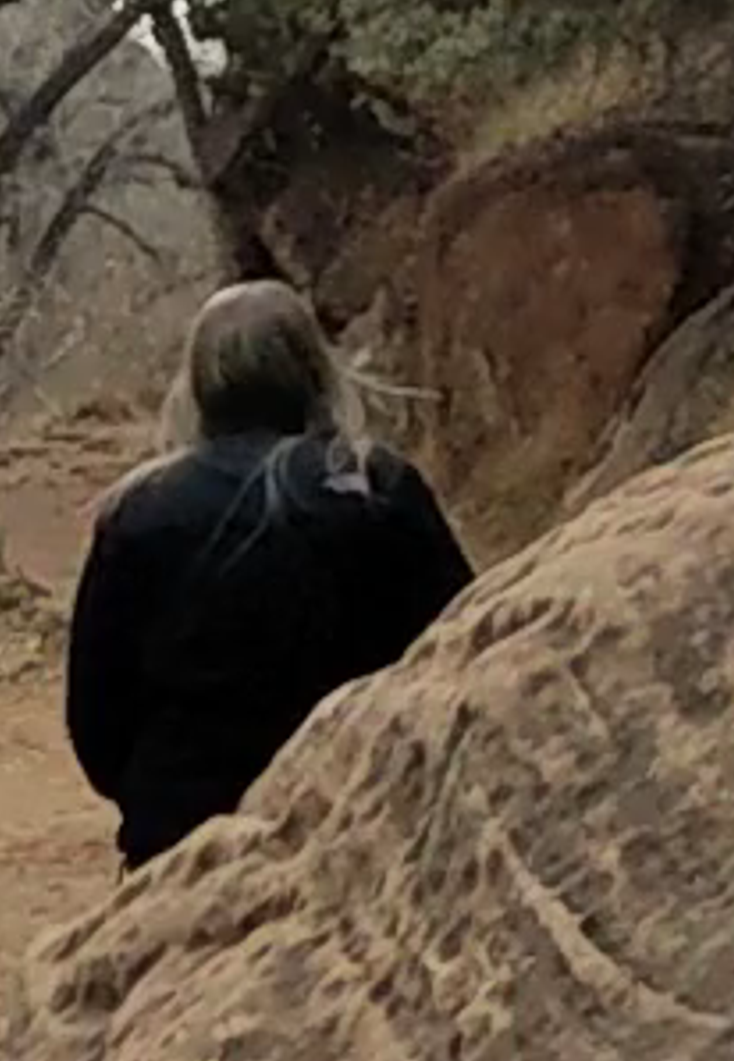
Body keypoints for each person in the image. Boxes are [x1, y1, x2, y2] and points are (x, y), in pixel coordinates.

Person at [63, 279, 473, 871]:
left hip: (183, 844)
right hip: (357, 830)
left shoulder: (139, 509)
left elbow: (97, 719)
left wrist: (161, 795)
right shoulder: (379, 487)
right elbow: (455, 656)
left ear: (198, 384)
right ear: (315, 371)